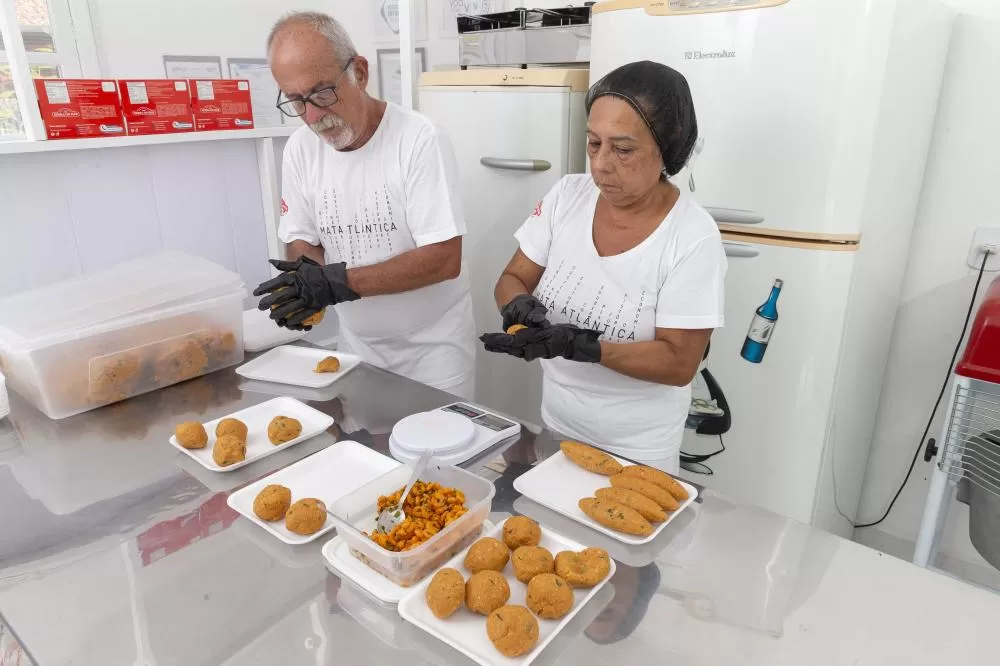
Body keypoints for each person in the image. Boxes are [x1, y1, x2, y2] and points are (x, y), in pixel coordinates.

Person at [481, 61, 727, 473]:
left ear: (668, 148)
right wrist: (517, 307)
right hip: (557, 427)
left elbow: (678, 363)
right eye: (594, 143)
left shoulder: (692, 236)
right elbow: (514, 277)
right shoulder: (567, 196)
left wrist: (581, 346)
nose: (600, 164)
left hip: (637, 454)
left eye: (623, 149)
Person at [254, 11, 476, 399]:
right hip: (356, 349)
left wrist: (338, 283)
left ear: (359, 72)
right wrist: (307, 283)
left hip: (433, 355)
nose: (313, 116)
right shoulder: (300, 150)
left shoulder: (418, 140)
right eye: (296, 100)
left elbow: (443, 258)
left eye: (322, 93)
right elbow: (301, 238)